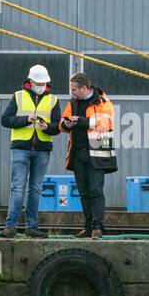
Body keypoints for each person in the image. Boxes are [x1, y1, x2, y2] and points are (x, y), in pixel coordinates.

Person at [0, 64, 61, 238]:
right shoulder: (18, 97)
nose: (41, 86)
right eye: (38, 82)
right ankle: (11, 226)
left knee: (35, 189)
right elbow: (5, 120)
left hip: (42, 149)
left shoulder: (53, 100)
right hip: (21, 148)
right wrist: (26, 120)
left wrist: (47, 127)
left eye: (43, 83)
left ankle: (31, 227)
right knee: (18, 187)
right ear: (30, 81)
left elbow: (57, 127)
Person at [59, 72, 116, 239]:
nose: (73, 92)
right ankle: (89, 227)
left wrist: (80, 121)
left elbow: (106, 124)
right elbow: (63, 125)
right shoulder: (72, 103)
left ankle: (98, 227)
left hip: (97, 154)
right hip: (77, 154)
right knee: (84, 192)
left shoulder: (103, 101)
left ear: (85, 88)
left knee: (95, 191)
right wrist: (66, 123)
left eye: (75, 89)